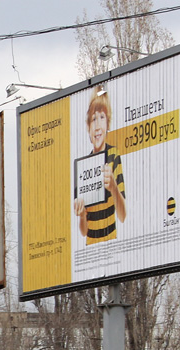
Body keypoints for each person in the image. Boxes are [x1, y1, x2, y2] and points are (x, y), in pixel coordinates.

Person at [72, 86, 127, 244]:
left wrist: (114, 188)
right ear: (88, 127)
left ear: (108, 123)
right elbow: (83, 231)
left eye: (102, 117)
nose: (97, 125)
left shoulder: (113, 156)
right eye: (93, 119)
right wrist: (82, 215)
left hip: (113, 245)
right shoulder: (83, 167)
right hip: (92, 252)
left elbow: (122, 216)